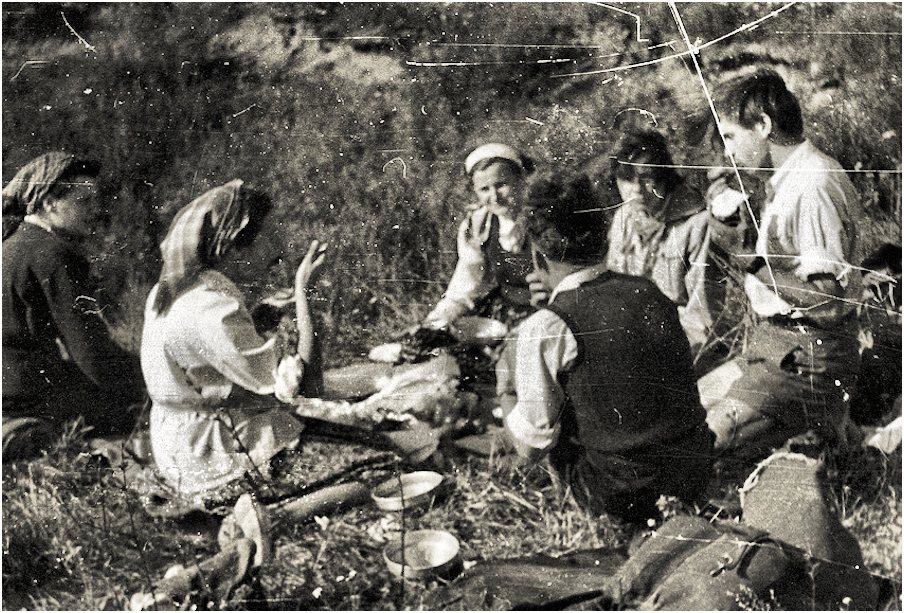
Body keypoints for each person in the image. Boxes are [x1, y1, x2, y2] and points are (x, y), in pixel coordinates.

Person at [499, 170, 713, 523]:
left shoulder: (547, 326)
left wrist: (508, 390)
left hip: (622, 497)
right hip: (692, 475)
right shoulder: (651, 292)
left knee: (536, 403)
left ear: (538, 259)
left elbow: (529, 448)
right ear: (603, 239)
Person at [697, 68, 861, 466]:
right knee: (680, 415)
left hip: (811, 357)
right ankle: (826, 430)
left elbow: (829, 302)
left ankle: (824, 428)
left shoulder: (814, 183)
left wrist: (751, 260)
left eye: (731, 137)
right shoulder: (785, 179)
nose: (728, 153)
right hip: (775, 346)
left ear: (763, 125)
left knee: (700, 447)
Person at [140, 179, 326, 502]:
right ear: (232, 246)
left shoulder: (172, 291)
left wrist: (262, 314)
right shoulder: (212, 308)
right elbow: (298, 386)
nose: (277, 250)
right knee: (307, 427)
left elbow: (209, 361)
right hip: (203, 455)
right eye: (268, 237)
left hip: (174, 440)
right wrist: (303, 296)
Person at [2, 152, 144, 459]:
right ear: (50, 203)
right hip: (29, 403)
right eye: (83, 202)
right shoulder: (52, 254)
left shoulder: (12, 246)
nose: (94, 211)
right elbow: (92, 355)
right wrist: (150, 377)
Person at [605, 129, 722, 370]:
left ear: (664, 176)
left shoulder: (696, 224)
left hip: (681, 348)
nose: (635, 189)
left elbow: (702, 319)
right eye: (626, 178)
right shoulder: (624, 217)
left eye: (646, 177)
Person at [423, 143, 537, 329]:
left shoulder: (541, 218)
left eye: (501, 185)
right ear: (475, 191)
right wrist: (436, 321)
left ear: (520, 179)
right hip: (508, 313)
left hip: (546, 311)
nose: (495, 196)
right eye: (484, 189)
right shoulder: (479, 226)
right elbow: (465, 285)